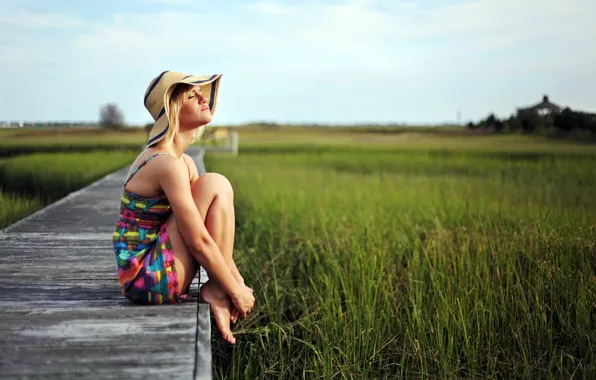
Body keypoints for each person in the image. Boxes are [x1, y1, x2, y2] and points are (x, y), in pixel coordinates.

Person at [112, 70, 254, 344]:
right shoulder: (165, 163)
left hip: (155, 272)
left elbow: (208, 232)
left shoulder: (182, 162)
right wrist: (233, 289)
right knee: (215, 183)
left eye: (202, 92)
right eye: (192, 95)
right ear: (173, 111)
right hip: (144, 279)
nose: (204, 98)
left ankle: (216, 291)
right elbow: (198, 241)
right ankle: (215, 292)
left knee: (216, 185)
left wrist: (235, 281)